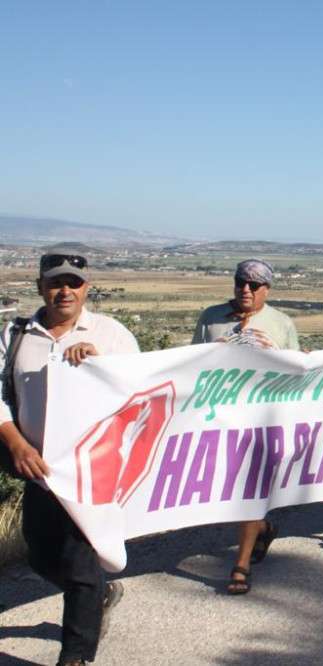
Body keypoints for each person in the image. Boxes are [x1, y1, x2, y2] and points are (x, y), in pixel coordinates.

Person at [1, 253, 139, 665]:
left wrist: (101, 364)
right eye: (56, 282)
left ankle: (75, 656)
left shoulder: (111, 334)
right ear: (40, 285)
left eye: (73, 283)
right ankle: (101, 592)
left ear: (86, 287)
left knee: (80, 565)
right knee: (41, 554)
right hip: (37, 466)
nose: (65, 291)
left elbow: (140, 393)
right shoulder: (17, 335)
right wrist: (17, 445)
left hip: (91, 470)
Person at [192, 259, 299, 596]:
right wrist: (215, 351)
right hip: (220, 419)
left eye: (255, 285)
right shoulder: (211, 318)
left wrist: (277, 354)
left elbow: (298, 372)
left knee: (250, 490)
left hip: (262, 420)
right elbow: (190, 364)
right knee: (227, 488)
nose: (246, 290)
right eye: (241, 282)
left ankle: (240, 564)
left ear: (267, 289)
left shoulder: (281, 323)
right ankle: (264, 527)